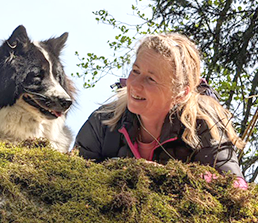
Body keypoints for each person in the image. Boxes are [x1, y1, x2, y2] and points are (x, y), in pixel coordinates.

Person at [75, 33, 247, 189]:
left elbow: (235, 185)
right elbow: (74, 175)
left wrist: (170, 176)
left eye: (151, 79)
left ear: (180, 93)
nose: (134, 84)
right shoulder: (104, 122)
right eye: (135, 71)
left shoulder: (204, 124)